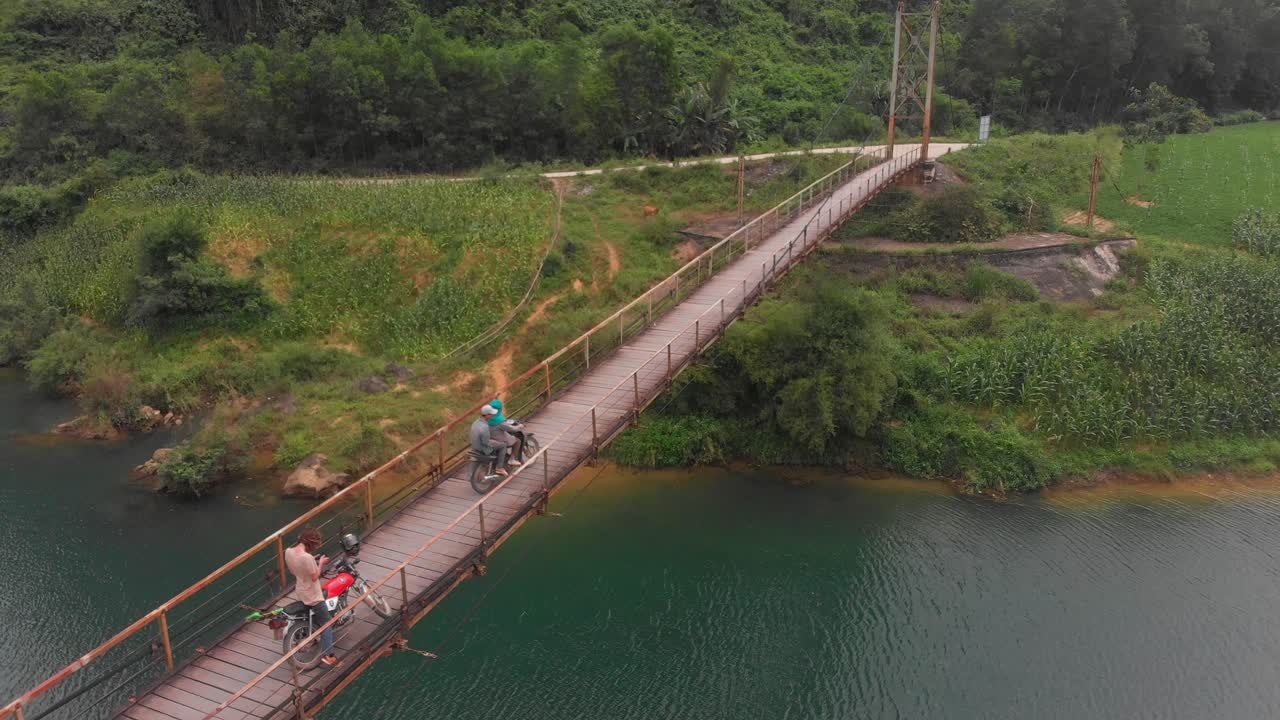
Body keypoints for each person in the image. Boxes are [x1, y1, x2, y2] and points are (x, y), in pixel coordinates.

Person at [284, 528, 338, 667]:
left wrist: (313, 561)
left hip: (300, 590)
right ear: (311, 544)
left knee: (313, 615)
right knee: (327, 624)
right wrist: (320, 563)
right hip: (312, 594)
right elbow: (314, 577)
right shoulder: (307, 558)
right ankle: (329, 655)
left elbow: (294, 569)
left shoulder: (288, 552)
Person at [470, 405, 509, 475]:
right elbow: (486, 442)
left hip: (475, 445)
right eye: (491, 414)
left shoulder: (475, 423)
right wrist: (495, 441)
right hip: (483, 448)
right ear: (487, 415)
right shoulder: (484, 427)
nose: (493, 415)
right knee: (503, 445)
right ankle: (499, 467)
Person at [486, 399, 524, 467]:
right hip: (500, 439)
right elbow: (512, 429)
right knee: (517, 441)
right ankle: (512, 459)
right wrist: (519, 426)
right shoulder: (499, 421)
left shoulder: (486, 417)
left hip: (489, 437)